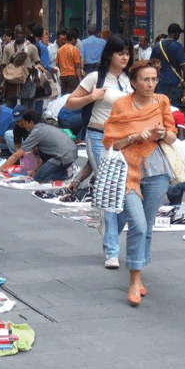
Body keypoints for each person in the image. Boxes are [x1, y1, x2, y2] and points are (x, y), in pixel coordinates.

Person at [101, 59, 176, 305]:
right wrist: (133, 137)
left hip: (156, 169)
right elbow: (111, 142)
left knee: (149, 225)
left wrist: (165, 135)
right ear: (133, 82)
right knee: (139, 226)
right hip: (127, 171)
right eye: (145, 79)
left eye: (154, 79)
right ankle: (133, 280)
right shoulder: (121, 104)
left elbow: (173, 134)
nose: (150, 84)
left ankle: (139, 273)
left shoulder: (162, 101)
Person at [65, 35, 133, 269]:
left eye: (127, 53)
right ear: (109, 55)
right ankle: (111, 250)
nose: (125, 57)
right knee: (110, 190)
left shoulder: (127, 80)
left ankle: (108, 229)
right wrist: (91, 97)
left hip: (124, 140)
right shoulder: (96, 77)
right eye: (120, 52)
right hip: (98, 136)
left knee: (124, 193)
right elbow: (69, 103)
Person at [0, 111, 77, 182]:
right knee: (38, 164)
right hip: (71, 152)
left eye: (24, 123)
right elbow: (43, 156)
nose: (23, 126)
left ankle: (66, 173)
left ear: (31, 123)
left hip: (63, 156)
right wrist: (36, 170)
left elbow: (17, 155)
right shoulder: (45, 127)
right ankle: (63, 168)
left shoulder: (36, 132)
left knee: (39, 178)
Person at [150, 23, 185, 106]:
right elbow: (184, 65)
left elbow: (152, 64)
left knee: (160, 105)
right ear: (176, 34)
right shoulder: (178, 47)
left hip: (160, 82)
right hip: (175, 83)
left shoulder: (158, 46)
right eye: (179, 33)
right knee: (174, 106)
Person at [0, 24, 43, 111]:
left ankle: (24, 122)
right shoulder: (8, 48)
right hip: (11, 81)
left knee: (26, 108)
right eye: (17, 33)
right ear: (14, 34)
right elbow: (3, 65)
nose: (19, 35)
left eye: (21, 33)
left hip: (26, 80)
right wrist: (2, 82)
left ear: (25, 34)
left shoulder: (31, 48)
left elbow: (38, 63)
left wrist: (34, 71)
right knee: (10, 107)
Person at [57, 28, 82, 94]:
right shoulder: (75, 50)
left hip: (62, 77)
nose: (76, 41)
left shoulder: (60, 50)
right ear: (73, 39)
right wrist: (80, 80)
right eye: (76, 39)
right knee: (72, 97)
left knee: (64, 97)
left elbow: (58, 64)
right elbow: (77, 67)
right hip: (72, 77)